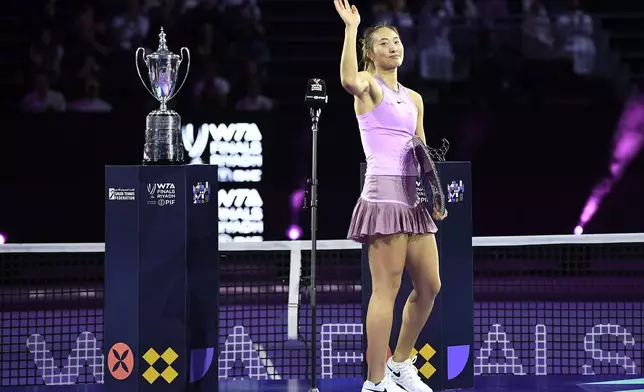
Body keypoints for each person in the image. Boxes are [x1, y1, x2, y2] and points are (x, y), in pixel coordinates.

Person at [333, 1, 447, 391]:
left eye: (396, 41)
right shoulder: (367, 88)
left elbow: (422, 148)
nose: (393, 47)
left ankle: (401, 362)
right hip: (383, 197)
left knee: (430, 285)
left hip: (414, 202)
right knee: (387, 290)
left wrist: (434, 194)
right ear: (371, 52)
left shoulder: (414, 98)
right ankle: (375, 382)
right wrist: (352, 28)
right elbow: (348, 78)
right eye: (383, 42)